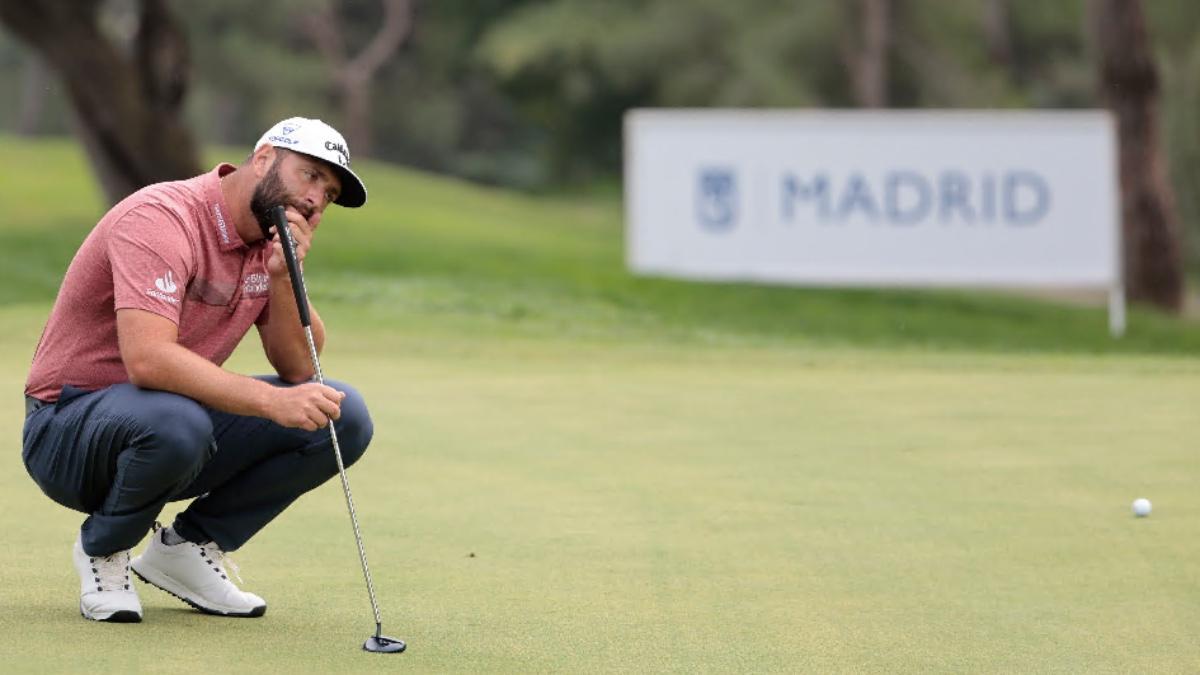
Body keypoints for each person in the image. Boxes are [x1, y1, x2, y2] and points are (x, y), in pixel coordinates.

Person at [22, 117, 375, 623]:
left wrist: (282, 277)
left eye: (331, 192)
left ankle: (186, 549)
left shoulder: (269, 244)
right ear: (264, 158)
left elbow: (301, 367)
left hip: (167, 427)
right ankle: (103, 550)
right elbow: (148, 360)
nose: (318, 199)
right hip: (67, 429)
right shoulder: (162, 216)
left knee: (342, 415)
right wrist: (269, 402)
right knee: (178, 420)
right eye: (310, 175)